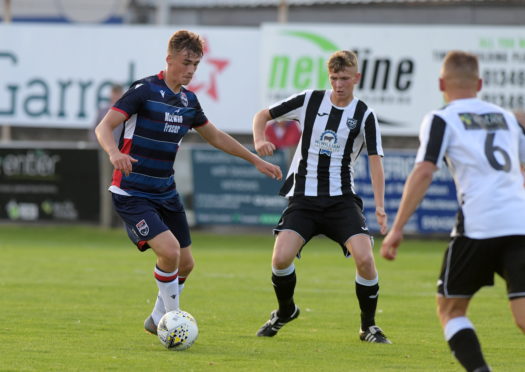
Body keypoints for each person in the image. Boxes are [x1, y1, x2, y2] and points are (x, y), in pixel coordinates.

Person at [95, 30, 282, 335]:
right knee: (169, 252)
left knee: (186, 263)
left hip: (165, 191)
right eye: (186, 62)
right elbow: (104, 127)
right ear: (169, 59)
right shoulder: (144, 90)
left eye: (196, 64)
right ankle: (174, 322)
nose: (191, 70)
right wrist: (114, 153)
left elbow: (216, 136)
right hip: (132, 191)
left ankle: (157, 319)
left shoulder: (188, 101)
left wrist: (255, 160)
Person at [381, 51, 525, 371]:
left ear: (441, 83)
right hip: (520, 223)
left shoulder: (441, 118)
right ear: (481, 83)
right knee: (522, 318)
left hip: (479, 224)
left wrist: (398, 228)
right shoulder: (508, 119)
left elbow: (424, 172)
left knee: (451, 310)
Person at [252, 50, 390, 343]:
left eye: (345, 79)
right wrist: (259, 139)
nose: (339, 84)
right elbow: (262, 115)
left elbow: (376, 160)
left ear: (357, 78)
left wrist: (380, 206)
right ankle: (286, 310)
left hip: (342, 200)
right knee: (280, 258)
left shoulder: (364, 114)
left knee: (365, 259)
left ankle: (369, 327)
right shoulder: (310, 100)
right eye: (334, 78)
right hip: (304, 199)